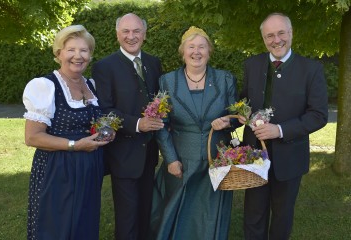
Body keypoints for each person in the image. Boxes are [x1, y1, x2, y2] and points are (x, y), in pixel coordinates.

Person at [239, 13, 328, 239]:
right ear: (263, 39)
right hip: (254, 157)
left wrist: (279, 130)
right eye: (269, 35)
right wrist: (239, 113)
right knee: (253, 215)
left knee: (282, 218)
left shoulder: (311, 69)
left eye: (281, 33)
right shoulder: (252, 65)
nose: (276, 40)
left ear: (291, 33)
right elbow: (243, 101)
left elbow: (318, 115)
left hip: (290, 159)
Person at [149, 26, 237, 240]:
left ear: (209, 51)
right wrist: (170, 159)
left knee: (210, 213)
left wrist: (227, 121)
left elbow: (236, 116)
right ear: (183, 51)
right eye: (191, 46)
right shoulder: (167, 81)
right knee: (179, 213)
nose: (196, 52)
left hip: (216, 160)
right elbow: (161, 125)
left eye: (202, 47)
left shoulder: (225, 79)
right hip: (181, 161)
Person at [23, 25, 109, 239]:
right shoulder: (45, 86)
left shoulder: (92, 85)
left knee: (84, 224)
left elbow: (95, 121)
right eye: (71, 50)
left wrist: (106, 132)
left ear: (90, 55)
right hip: (58, 169)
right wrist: (74, 145)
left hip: (90, 169)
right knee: (56, 226)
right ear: (59, 53)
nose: (78, 56)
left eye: (84, 50)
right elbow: (32, 137)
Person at [91, 13, 163, 240]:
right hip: (123, 154)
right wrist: (138, 124)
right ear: (117, 35)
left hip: (150, 153)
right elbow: (105, 109)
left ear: (144, 34)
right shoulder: (104, 67)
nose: (131, 36)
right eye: (126, 32)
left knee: (145, 213)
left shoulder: (154, 63)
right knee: (127, 218)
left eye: (136, 31)